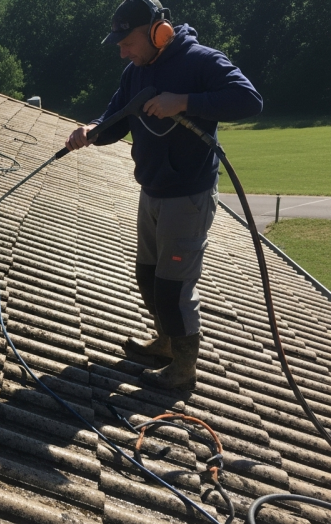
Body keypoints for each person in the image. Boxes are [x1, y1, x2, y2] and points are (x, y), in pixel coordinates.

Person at [65, 0, 262, 390]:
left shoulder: (201, 61)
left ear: (159, 33)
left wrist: (185, 101)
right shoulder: (134, 72)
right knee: (149, 276)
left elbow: (249, 100)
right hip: (152, 190)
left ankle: (184, 371)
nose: (121, 50)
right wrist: (90, 131)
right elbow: (115, 118)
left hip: (188, 196)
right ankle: (166, 343)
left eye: (127, 42)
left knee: (173, 287)